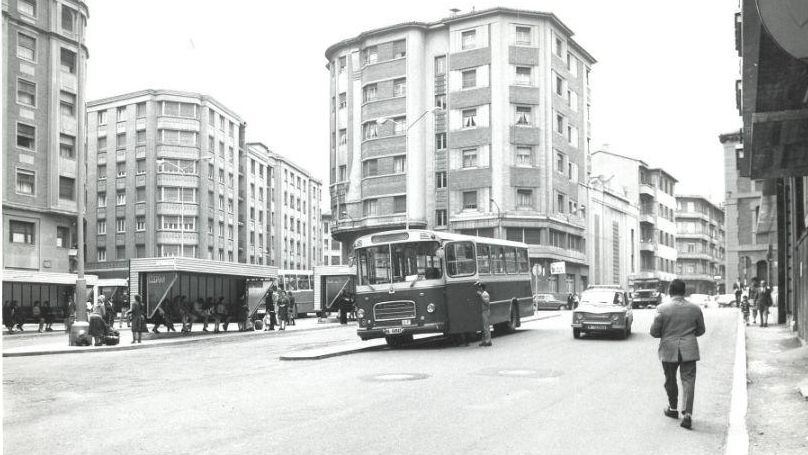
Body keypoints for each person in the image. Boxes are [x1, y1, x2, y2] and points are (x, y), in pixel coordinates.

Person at [650, 278, 706, 430]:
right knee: (688, 381)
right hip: (689, 348)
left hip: (668, 349)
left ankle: (673, 408)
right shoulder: (695, 308)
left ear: (670, 292)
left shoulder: (662, 308)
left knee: (670, 379)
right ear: (684, 292)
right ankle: (687, 414)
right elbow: (701, 330)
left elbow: (654, 332)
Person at [475, 281, 492, 347]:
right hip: (483, 311)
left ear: (482, 288)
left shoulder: (485, 294)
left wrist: (481, 295)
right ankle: (484, 341)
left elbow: (486, 302)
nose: (479, 289)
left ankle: (488, 341)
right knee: (483, 327)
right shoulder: (483, 293)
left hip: (485, 311)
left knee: (486, 327)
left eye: (479, 287)